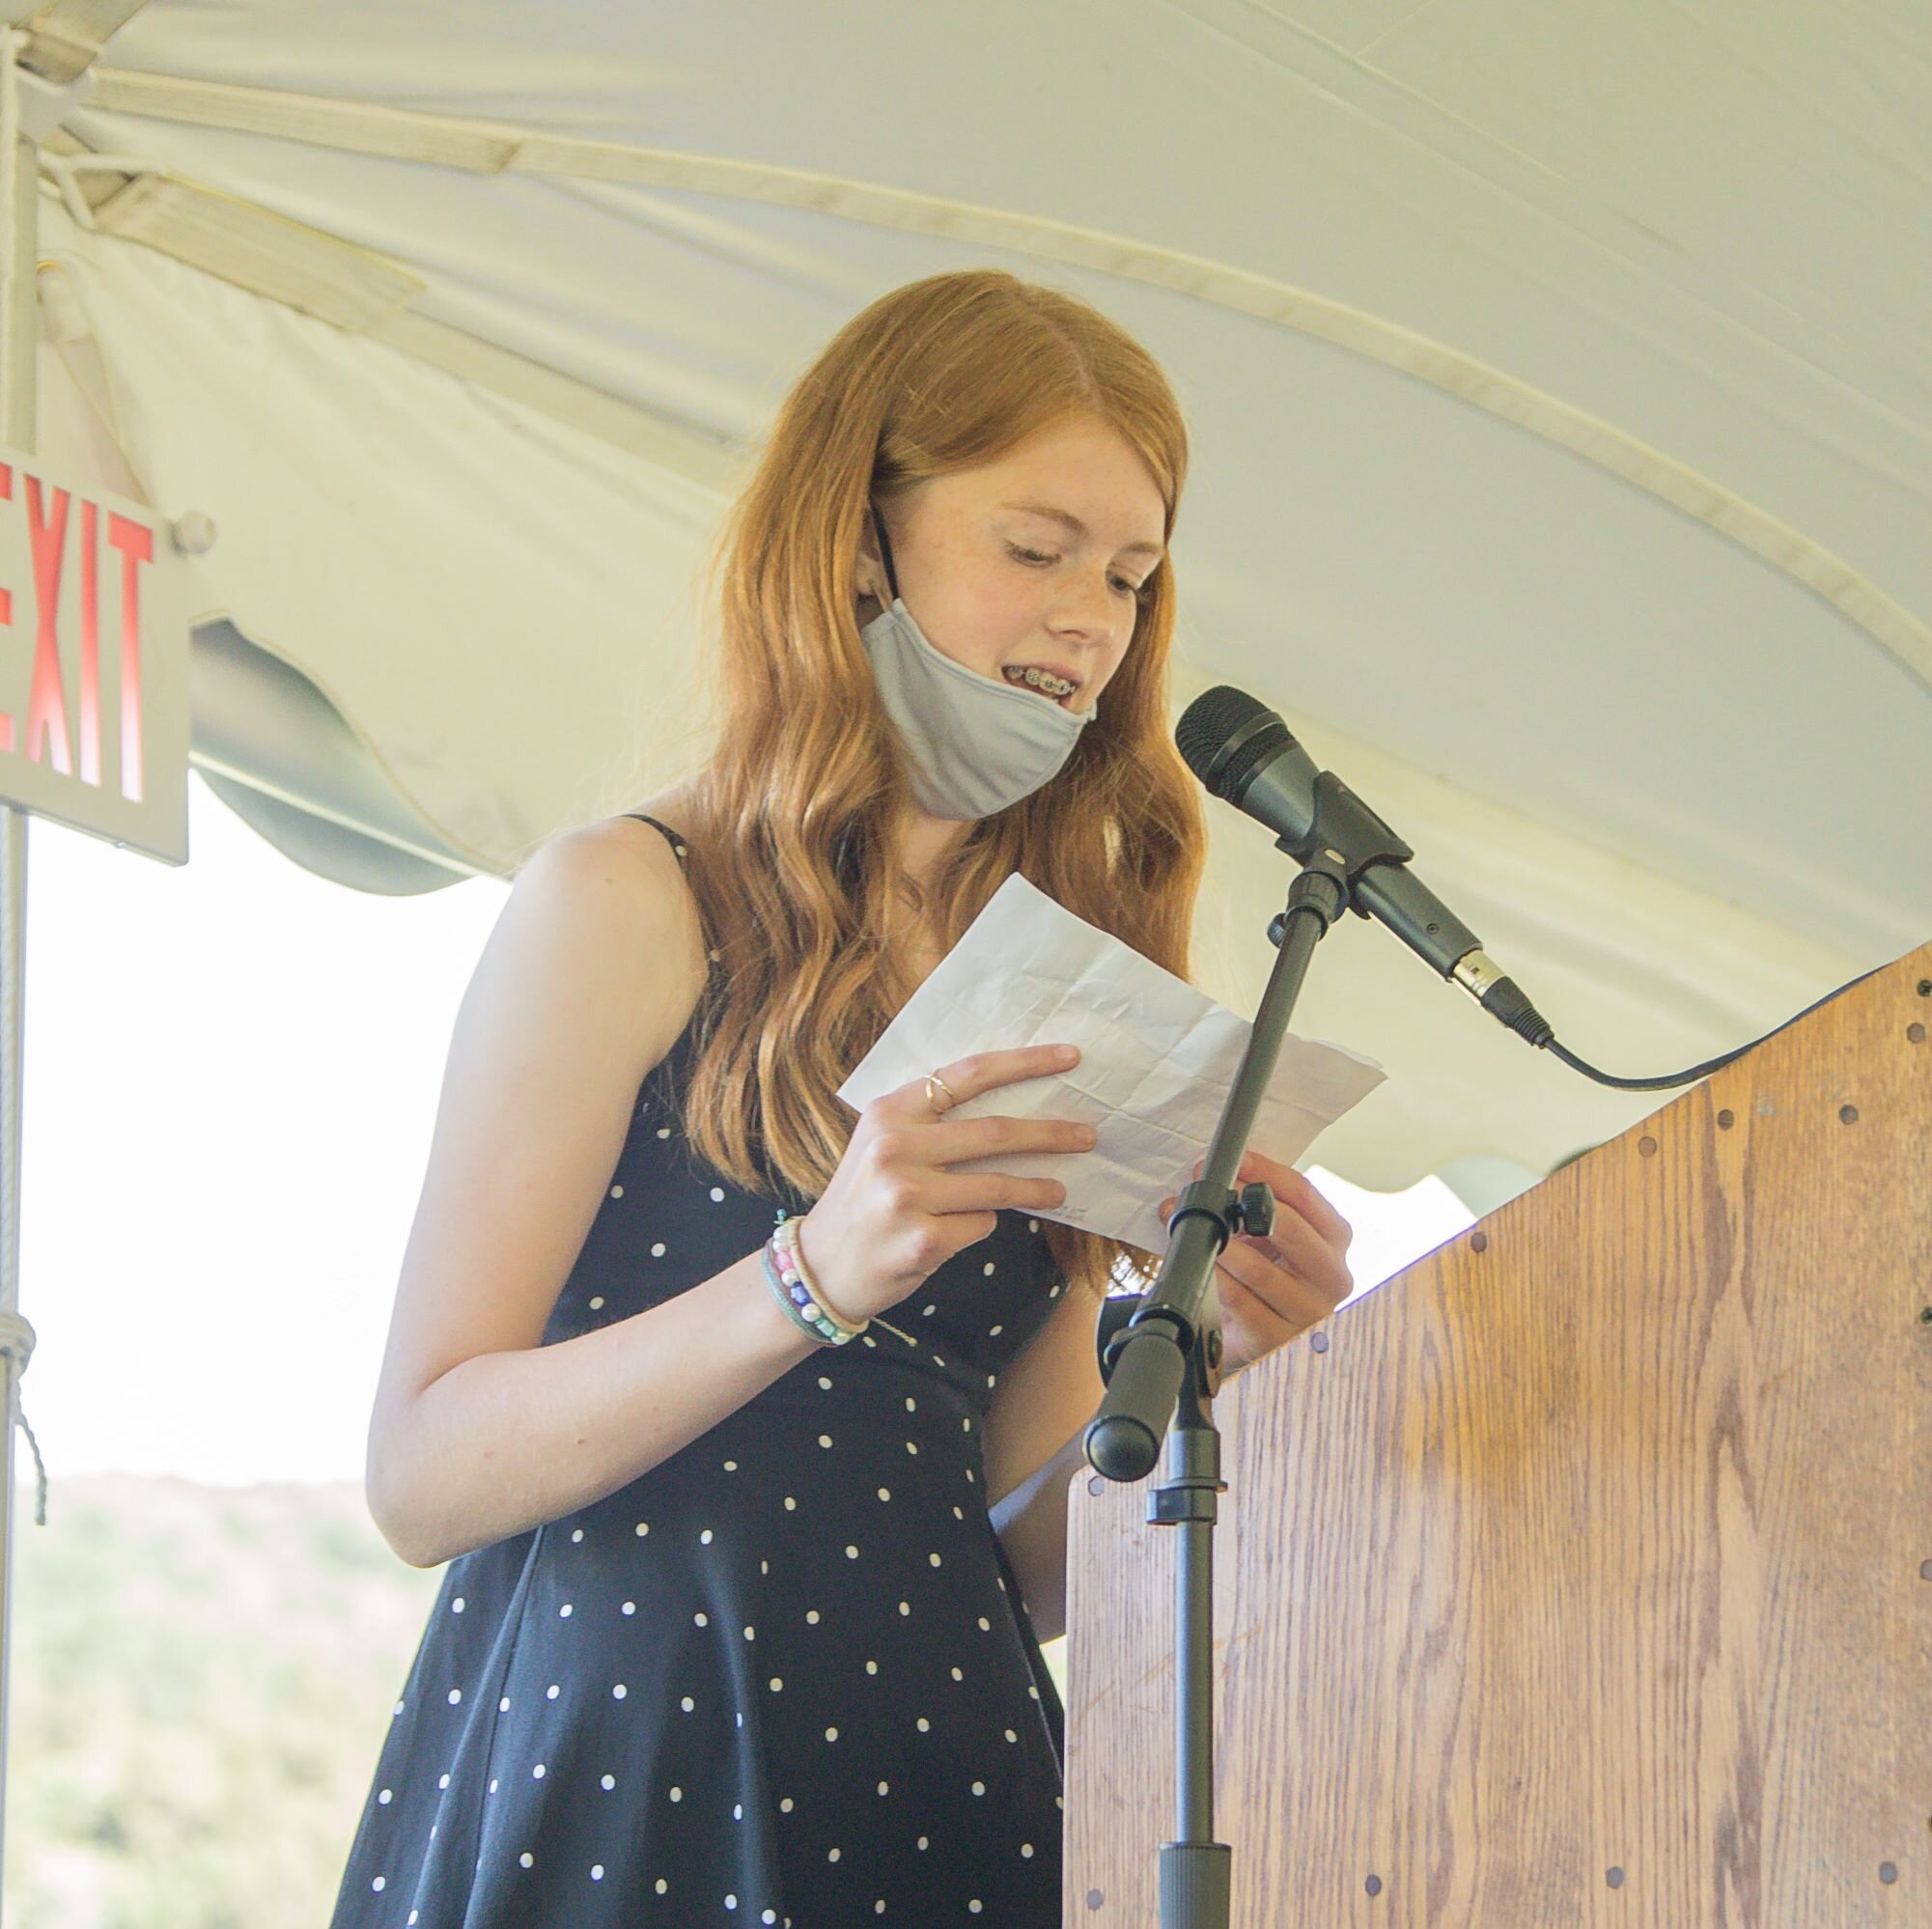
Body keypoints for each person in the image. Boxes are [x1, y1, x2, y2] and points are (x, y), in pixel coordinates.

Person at [329, 268, 1354, 1928]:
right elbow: (421, 1471)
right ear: (856, 536)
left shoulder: (1053, 980)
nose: (1090, 620)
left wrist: (1208, 1356)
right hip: (633, 1757)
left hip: (942, 1777)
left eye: (1128, 574)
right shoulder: (628, 898)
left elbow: (1010, 1560)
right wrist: (813, 1275)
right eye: (1034, 550)